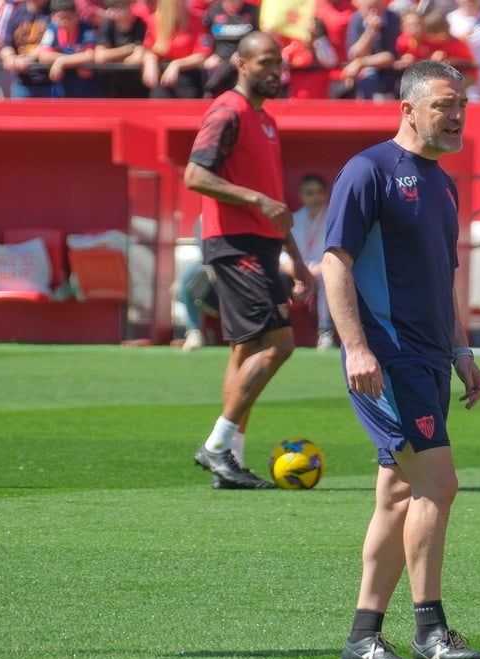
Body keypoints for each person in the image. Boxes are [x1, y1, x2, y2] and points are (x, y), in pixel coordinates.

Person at [322, 59, 480, 659]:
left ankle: (363, 635)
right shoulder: (368, 171)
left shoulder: (443, 183)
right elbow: (335, 261)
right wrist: (357, 347)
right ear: (409, 109)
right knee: (438, 485)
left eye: (461, 105)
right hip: (386, 358)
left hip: (428, 360)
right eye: (444, 105)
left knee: (397, 494)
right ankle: (430, 631)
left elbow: (444, 278)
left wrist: (462, 350)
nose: (456, 115)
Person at [185, 29, 314, 490]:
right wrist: (257, 201)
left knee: (245, 350)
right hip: (235, 242)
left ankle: (230, 462)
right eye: (264, 63)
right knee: (279, 344)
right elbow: (195, 174)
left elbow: (275, 204)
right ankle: (217, 447)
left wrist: (296, 260)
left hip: (260, 243)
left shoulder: (266, 120)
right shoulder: (227, 110)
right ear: (242, 64)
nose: (275, 72)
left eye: (278, 64)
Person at [282, 173, 336, 350]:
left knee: (328, 277)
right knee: (276, 276)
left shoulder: (335, 218)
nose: (315, 197)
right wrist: (295, 272)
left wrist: (316, 270)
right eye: (309, 193)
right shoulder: (293, 219)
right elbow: (280, 254)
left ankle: (325, 334)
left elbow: (339, 252)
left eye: (319, 192)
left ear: (326, 194)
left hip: (323, 271)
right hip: (296, 273)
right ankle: (274, 334)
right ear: (301, 195)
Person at [142, 0, 212, 98]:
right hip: (162, 76)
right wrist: (150, 62)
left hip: (189, 76)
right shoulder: (154, 20)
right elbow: (149, 49)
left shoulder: (197, 19)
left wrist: (177, 64)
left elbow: (202, 54)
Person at [39, 0, 102, 97]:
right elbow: (44, 55)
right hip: (61, 87)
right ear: (53, 18)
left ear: (76, 16)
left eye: (68, 17)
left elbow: (89, 55)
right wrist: (74, 60)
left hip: (85, 88)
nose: (65, 21)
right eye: (61, 17)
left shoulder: (86, 28)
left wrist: (61, 62)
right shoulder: (52, 29)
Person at [343, 0, 403, 99]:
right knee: (366, 79)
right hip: (370, 72)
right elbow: (355, 53)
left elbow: (391, 56)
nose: (373, 12)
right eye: (369, 8)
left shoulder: (394, 19)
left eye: (376, 7)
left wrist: (361, 62)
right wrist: (370, 31)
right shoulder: (356, 18)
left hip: (393, 72)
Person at [201, 0, 259, 97]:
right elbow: (205, 37)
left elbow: (259, 39)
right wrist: (209, 56)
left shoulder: (253, 10)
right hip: (220, 62)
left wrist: (243, 52)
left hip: (243, 61)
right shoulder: (214, 10)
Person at [0, 0, 54, 97]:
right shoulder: (17, 12)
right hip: (22, 83)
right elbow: (7, 44)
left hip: (50, 83)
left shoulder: (54, 11)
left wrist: (26, 59)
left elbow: (48, 44)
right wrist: (9, 57)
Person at [95, 0, 149, 98]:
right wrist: (129, 48)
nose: (126, 10)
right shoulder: (108, 24)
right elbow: (101, 56)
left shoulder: (140, 24)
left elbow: (136, 58)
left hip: (136, 83)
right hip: (113, 82)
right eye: (121, 7)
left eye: (127, 6)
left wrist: (114, 55)